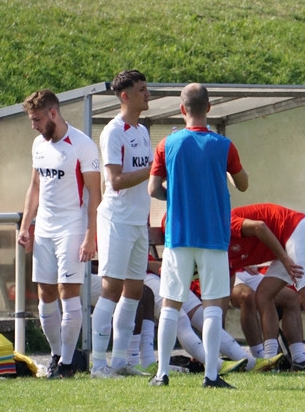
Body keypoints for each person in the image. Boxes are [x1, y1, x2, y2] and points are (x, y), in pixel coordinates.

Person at [148, 83, 249, 388]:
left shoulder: (167, 144)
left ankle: (162, 374)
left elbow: (153, 188)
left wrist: (176, 196)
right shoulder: (224, 146)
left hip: (178, 234)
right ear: (209, 108)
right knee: (213, 305)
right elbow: (243, 184)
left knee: (170, 304)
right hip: (213, 236)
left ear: (182, 110)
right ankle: (211, 376)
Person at [17, 90, 101, 379]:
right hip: (45, 228)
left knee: (69, 293)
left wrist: (91, 234)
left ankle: (67, 363)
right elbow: (35, 187)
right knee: (46, 293)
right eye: (32, 120)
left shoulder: (82, 145)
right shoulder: (38, 144)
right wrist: (27, 224)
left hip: (72, 228)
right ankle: (56, 355)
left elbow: (95, 194)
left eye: (37, 119)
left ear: (53, 113)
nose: (34, 125)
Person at [89, 70, 152, 378]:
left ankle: (120, 361)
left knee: (135, 291)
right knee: (111, 289)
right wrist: (155, 169)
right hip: (116, 220)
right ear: (125, 96)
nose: (147, 94)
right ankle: (98, 363)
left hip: (138, 222)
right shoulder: (113, 131)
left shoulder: (142, 130)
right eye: (141, 90)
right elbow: (115, 180)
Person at [228, 203, 305, 370]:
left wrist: (284, 259)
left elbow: (259, 226)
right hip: (283, 244)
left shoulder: (225, 223)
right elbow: (226, 293)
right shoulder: (217, 249)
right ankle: (276, 358)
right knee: (263, 295)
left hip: (295, 228)